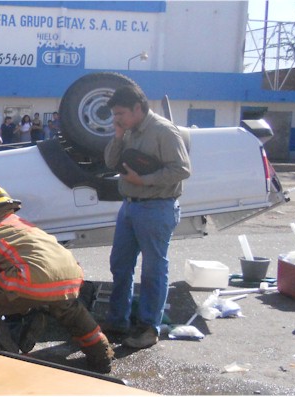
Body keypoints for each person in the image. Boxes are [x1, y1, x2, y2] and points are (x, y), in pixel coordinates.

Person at [0, 184, 114, 373]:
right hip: (71, 275)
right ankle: (101, 354)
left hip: (31, 281)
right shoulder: (27, 227)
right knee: (69, 310)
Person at [102, 83, 191, 349]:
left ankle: (148, 328)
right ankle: (118, 319)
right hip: (129, 206)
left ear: (137, 108)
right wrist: (117, 136)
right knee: (120, 264)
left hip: (157, 207)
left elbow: (182, 169)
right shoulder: (127, 131)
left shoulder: (163, 131)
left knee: (153, 270)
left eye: (120, 113)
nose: (116, 118)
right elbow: (109, 163)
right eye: (114, 114)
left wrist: (145, 180)